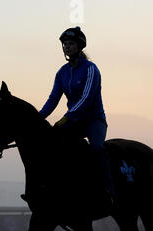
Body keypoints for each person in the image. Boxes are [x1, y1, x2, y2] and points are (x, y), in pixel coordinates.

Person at [39, 26, 116, 207]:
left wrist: (66, 117)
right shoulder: (62, 73)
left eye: (71, 43)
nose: (67, 47)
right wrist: (37, 118)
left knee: (96, 149)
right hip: (73, 121)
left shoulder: (91, 69)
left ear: (79, 46)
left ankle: (108, 192)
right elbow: (52, 100)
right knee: (54, 146)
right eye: (65, 44)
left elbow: (87, 99)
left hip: (94, 120)